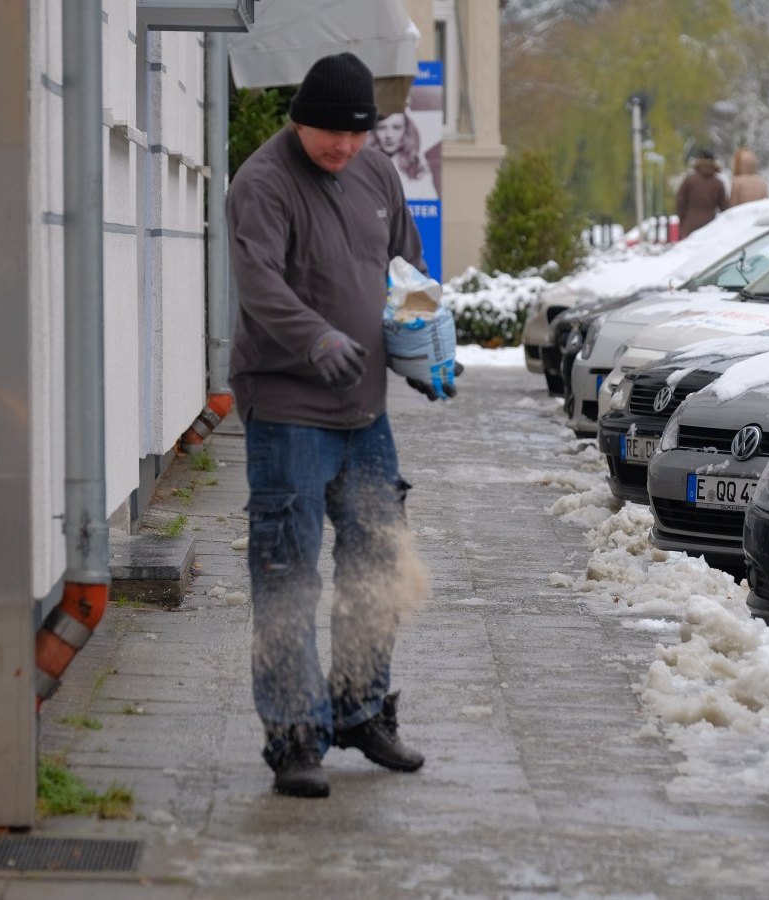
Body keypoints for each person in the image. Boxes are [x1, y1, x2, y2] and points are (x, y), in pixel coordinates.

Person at [226, 52, 452, 799]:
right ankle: (294, 735)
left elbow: (407, 273)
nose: (343, 149)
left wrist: (422, 344)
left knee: (377, 563)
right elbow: (257, 282)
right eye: (330, 134)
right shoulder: (263, 183)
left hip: (365, 414)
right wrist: (313, 337)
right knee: (287, 572)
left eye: (357, 135)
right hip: (289, 409)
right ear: (300, 117)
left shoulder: (377, 174)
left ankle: (359, 709)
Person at [370, 110, 438, 200]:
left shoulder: (418, 168)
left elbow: (430, 208)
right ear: (374, 131)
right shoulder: (364, 166)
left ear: (406, 131)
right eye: (382, 127)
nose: (389, 135)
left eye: (396, 127)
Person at [674, 149, 730, 240]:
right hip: (710, 225)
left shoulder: (689, 180)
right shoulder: (718, 183)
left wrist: (683, 222)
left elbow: (680, 203)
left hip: (690, 225)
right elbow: (725, 208)